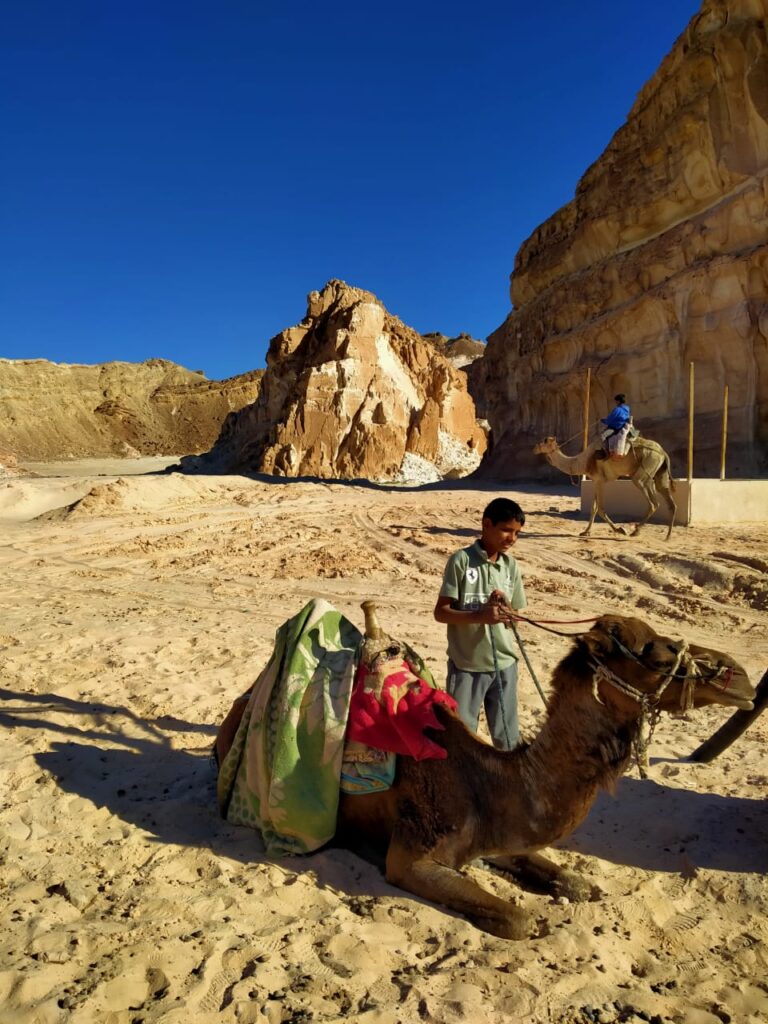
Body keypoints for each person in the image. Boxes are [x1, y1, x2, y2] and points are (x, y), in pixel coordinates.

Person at [433, 497, 526, 750]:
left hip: (505, 666)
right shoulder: (461, 561)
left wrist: (507, 610)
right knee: (462, 742)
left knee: (507, 742)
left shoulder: (511, 567)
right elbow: (441, 612)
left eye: (517, 533)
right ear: (487, 524)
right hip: (467, 667)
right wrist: (479, 617)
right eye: (506, 530)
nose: (512, 538)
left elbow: (515, 618)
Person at [600, 393, 632, 458]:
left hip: (616, 428)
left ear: (618, 401)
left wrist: (603, 420)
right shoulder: (627, 409)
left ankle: (607, 454)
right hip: (624, 426)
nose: (615, 403)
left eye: (616, 401)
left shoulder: (617, 409)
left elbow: (609, 420)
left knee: (602, 436)